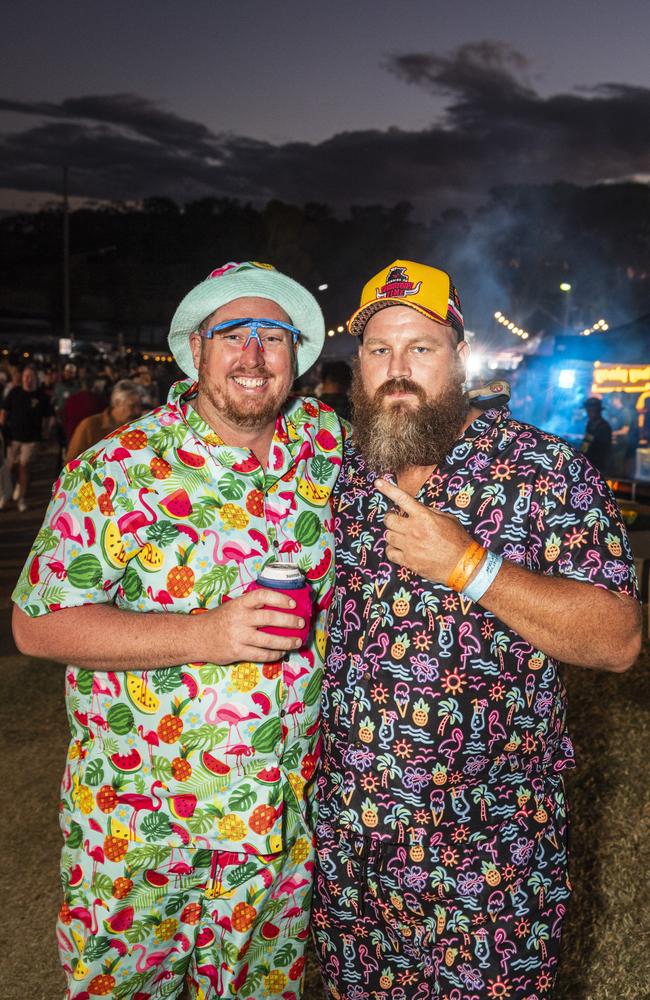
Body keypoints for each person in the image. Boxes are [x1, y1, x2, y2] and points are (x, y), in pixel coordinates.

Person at [12, 261, 345, 1000]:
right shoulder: (116, 470)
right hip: (139, 830)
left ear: (298, 356)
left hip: (277, 831)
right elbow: (37, 625)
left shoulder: (329, 450)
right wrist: (208, 634)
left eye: (273, 336)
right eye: (233, 333)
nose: (253, 355)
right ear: (196, 350)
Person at [312, 259, 641, 999]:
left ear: (460, 358)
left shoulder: (545, 472)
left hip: (488, 860)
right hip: (354, 856)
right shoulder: (338, 474)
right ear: (357, 366)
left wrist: (471, 567)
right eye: (379, 350)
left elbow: (618, 640)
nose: (398, 371)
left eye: (420, 348)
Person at [0, 365, 53, 511]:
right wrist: (2, 427)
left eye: (31, 376)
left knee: (24, 466)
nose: (28, 379)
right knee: (9, 467)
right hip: (13, 438)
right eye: (25, 376)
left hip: (32, 439)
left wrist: (46, 432)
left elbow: (48, 417)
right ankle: (7, 492)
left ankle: (21, 499)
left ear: (36, 378)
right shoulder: (14, 392)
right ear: (22, 378)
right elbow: (4, 411)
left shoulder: (41, 396)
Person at [65, 379, 143, 461]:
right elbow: (71, 465)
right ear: (117, 403)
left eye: (140, 406)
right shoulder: (90, 427)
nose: (138, 411)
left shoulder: (138, 428)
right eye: (132, 406)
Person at [581, 396, 612, 475]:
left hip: (598, 467)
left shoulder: (604, 427)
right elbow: (586, 444)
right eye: (588, 410)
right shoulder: (590, 424)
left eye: (591, 410)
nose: (588, 413)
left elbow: (604, 451)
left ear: (597, 411)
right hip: (587, 464)